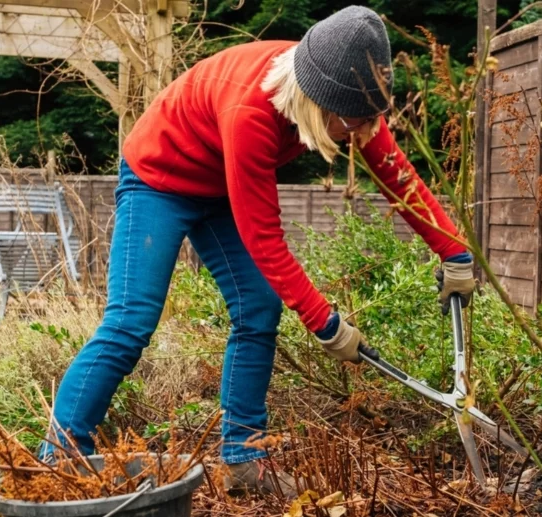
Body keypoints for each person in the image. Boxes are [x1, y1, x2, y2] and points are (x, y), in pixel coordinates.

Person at [41, 5, 474, 498]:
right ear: (319, 103)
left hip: (218, 185)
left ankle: (245, 458)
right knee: (130, 321)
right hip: (158, 180)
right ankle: (58, 458)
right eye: (353, 122)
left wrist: (454, 252)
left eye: (369, 118)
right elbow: (264, 239)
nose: (362, 133)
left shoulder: (349, 97)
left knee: (259, 308)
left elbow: (398, 174)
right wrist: (326, 324)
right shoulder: (250, 111)